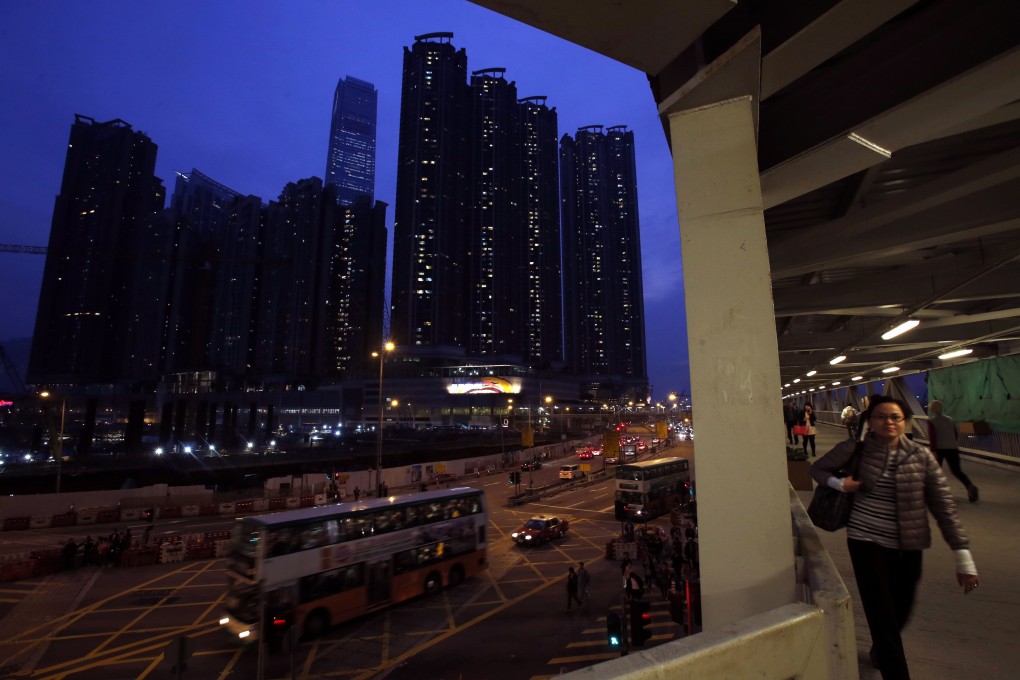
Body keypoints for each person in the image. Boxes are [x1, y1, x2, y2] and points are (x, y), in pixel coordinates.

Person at [811, 394, 979, 679]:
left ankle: (882, 648)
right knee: (882, 614)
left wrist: (963, 556)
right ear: (870, 421)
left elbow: (943, 506)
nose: (888, 422)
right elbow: (818, 468)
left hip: (909, 544)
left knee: (901, 609)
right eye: (881, 416)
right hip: (866, 541)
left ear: (905, 421)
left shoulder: (922, 457)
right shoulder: (855, 449)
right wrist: (839, 483)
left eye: (895, 417)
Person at [927, 400, 979, 502]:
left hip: (939, 449)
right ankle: (969, 486)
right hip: (952, 448)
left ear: (931, 409)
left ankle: (938, 493)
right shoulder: (950, 420)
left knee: (936, 471)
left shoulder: (931, 421)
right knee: (957, 471)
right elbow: (955, 434)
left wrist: (932, 450)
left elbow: (932, 437)